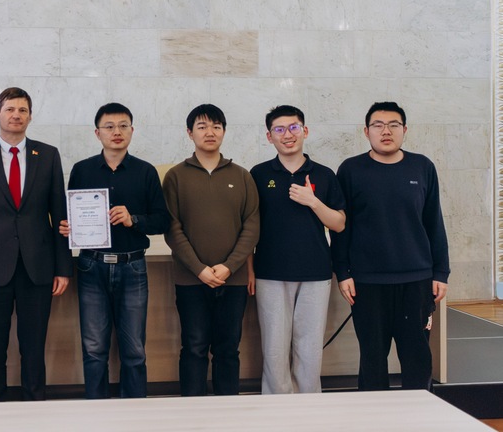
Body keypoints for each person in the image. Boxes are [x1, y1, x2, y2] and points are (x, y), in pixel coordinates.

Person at [331, 101, 450, 391]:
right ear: (366, 131)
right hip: (367, 282)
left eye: (393, 125)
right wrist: (343, 272)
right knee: (372, 358)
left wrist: (440, 272)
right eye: (378, 125)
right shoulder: (350, 169)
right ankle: (374, 414)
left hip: (416, 281)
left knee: (417, 357)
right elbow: (341, 228)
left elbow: (434, 221)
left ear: (404, 130)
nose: (386, 131)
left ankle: (419, 412)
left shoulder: (422, 167)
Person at [0, 87, 71, 401]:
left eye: (23, 110)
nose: (16, 115)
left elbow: (60, 215)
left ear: (30, 116)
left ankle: (36, 407)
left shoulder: (48, 155)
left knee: (34, 348)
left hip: (37, 267)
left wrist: (63, 267)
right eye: (10, 109)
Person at [58, 103, 169, 399]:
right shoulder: (82, 170)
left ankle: (134, 413)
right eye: (109, 126)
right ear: (97, 133)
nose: (116, 132)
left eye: (123, 126)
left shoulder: (146, 172)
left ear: (132, 130)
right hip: (90, 266)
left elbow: (162, 220)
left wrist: (134, 219)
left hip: (132, 267)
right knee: (94, 349)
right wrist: (68, 227)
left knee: (134, 350)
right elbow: (69, 214)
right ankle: (96, 412)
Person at [163, 103, 259, 396]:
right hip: (191, 279)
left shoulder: (241, 176)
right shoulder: (176, 176)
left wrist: (229, 266)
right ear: (189, 132)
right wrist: (199, 269)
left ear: (224, 132)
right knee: (194, 346)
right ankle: (191, 411)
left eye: (216, 126)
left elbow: (251, 226)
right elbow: (172, 228)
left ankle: (228, 411)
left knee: (228, 349)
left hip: (234, 279)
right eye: (202, 126)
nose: (210, 132)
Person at [248, 105, 346, 394]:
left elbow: (339, 223)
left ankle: (309, 407)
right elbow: (249, 228)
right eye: (279, 129)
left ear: (305, 131)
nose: (287, 135)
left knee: (309, 349)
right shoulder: (258, 174)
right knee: (274, 349)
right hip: (270, 272)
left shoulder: (324, 175)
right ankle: (276, 408)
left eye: (293, 127)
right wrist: (249, 270)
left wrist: (313, 201)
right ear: (269, 137)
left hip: (315, 272)